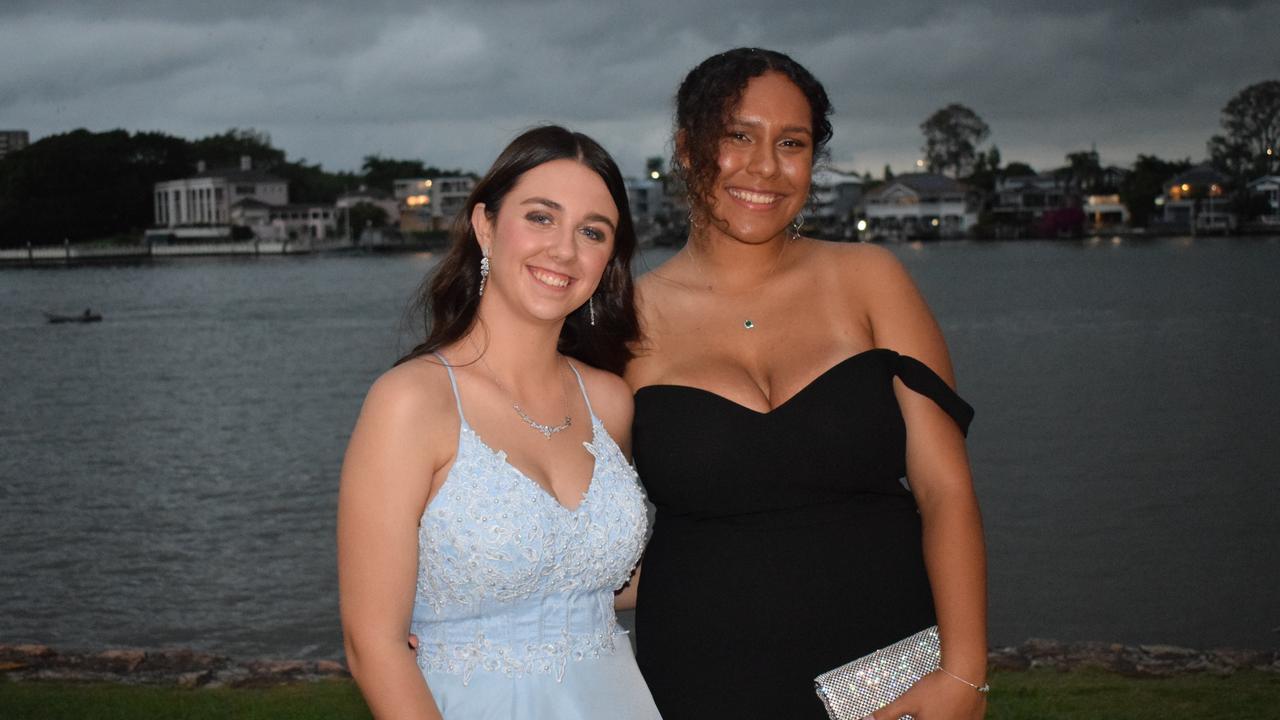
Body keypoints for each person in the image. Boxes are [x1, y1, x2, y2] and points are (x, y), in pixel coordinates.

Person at [625, 48, 989, 720]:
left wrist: (964, 673)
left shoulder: (870, 280)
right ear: (685, 149)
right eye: (739, 136)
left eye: (790, 143)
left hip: (891, 678)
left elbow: (945, 491)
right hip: (703, 682)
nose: (765, 166)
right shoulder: (624, 324)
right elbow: (580, 525)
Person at [338, 125, 661, 719]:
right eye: (541, 217)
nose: (565, 250)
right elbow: (372, 645)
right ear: (485, 225)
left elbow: (605, 578)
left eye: (592, 232)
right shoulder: (411, 402)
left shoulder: (610, 401)